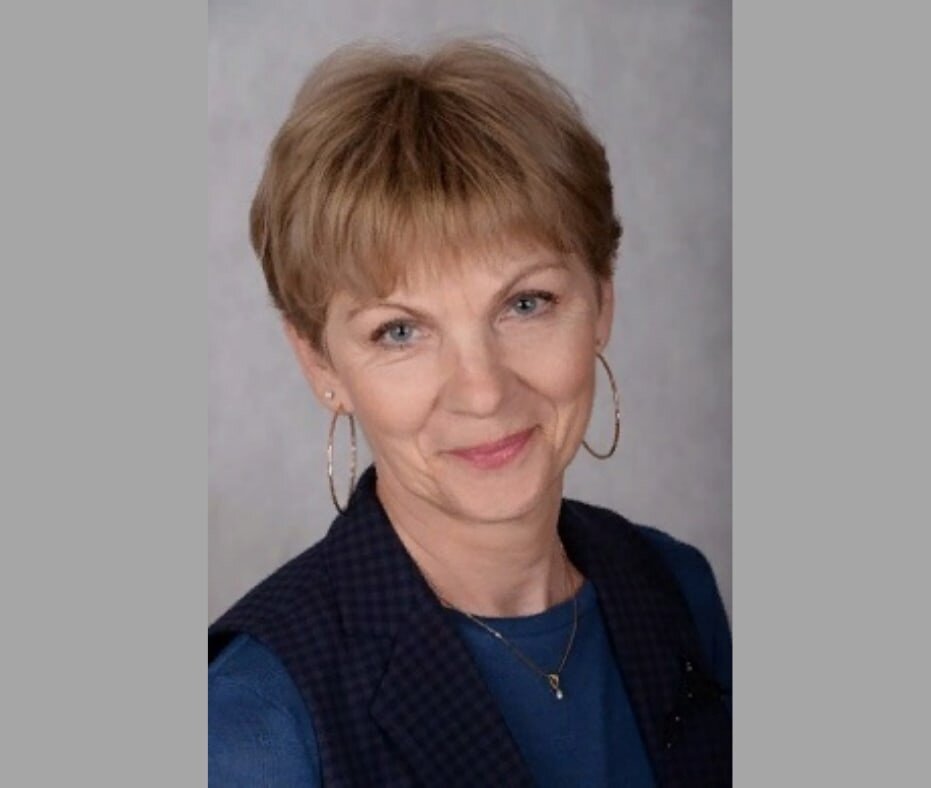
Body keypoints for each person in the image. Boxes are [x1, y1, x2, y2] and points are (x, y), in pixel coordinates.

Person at [209, 38, 731, 787]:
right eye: (400, 331)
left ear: (601, 301)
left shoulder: (676, 591)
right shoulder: (254, 722)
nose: (483, 390)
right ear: (320, 362)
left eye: (526, 304)